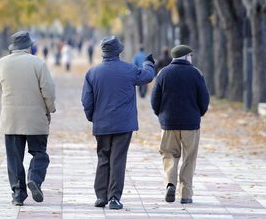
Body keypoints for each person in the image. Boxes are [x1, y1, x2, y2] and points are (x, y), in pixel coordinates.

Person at [81, 36, 155, 210]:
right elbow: (148, 76)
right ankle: (114, 197)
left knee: (103, 158)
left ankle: (101, 196)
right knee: (118, 160)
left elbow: (86, 101)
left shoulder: (92, 72)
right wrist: (149, 63)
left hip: (102, 124)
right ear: (118, 52)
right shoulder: (129, 69)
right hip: (124, 124)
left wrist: (93, 117)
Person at [0, 31, 56, 206]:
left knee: (14, 158)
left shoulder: (1, 63)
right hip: (35, 117)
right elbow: (49, 91)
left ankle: (18, 194)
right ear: (29, 46)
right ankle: (34, 178)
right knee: (40, 154)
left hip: (11, 119)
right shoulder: (38, 63)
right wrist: (50, 109)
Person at [150, 44, 209, 205]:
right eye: (191, 56)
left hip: (169, 123)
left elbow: (154, 99)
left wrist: (161, 115)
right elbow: (204, 99)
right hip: (191, 124)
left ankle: (170, 183)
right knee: (189, 158)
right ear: (186, 57)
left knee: (169, 154)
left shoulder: (163, 73)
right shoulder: (196, 73)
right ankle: (186, 194)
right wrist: (199, 114)